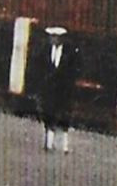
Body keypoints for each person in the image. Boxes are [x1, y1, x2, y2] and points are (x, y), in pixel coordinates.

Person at [29, 25, 81, 153]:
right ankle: (49, 143)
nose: (53, 40)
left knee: (64, 116)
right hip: (49, 89)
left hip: (64, 90)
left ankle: (64, 145)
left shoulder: (70, 53)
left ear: (61, 39)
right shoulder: (45, 51)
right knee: (48, 115)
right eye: (51, 37)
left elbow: (74, 71)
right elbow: (40, 67)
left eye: (56, 37)